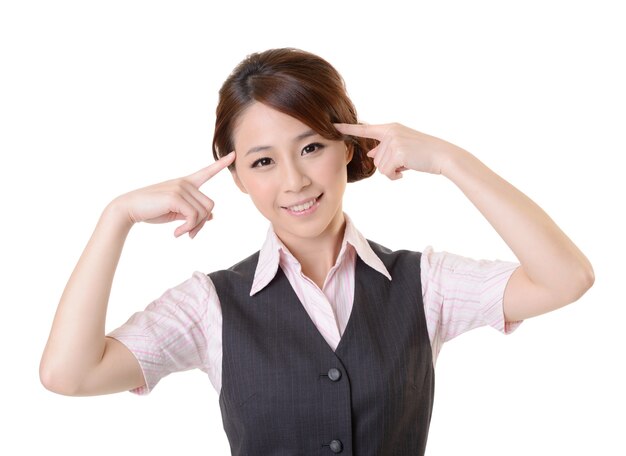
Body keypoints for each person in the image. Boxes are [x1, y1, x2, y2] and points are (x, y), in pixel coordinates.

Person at [40, 48, 594, 455]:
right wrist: (116, 217)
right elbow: (69, 374)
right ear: (239, 180)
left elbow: (565, 278)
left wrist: (450, 159)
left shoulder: (425, 282)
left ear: (347, 147)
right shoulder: (209, 305)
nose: (295, 181)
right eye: (263, 161)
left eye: (310, 147)